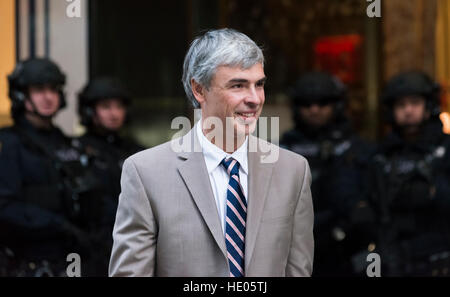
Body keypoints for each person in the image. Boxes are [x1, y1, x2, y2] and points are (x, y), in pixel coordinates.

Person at [109, 28, 314, 277]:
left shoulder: (293, 170)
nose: (254, 99)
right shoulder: (146, 173)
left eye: (258, 84)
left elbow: (298, 270)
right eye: (238, 85)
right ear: (199, 90)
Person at [0, 58, 103, 276]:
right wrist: (56, 225)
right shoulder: (9, 144)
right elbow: (5, 207)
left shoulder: (69, 144)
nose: (48, 97)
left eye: (53, 90)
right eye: (39, 90)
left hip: (74, 262)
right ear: (21, 95)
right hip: (28, 263)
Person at [280, 72, 375, 276]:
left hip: (347, 248)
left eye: (322, 103)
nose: (314, 110)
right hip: (297, 247)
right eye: (307, 104)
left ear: (336, 105)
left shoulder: (356, 147)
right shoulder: (283, 150)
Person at [368, 71, 450, 276]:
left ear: (428, 105)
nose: (408, 110)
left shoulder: (445, 148)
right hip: (395, 255)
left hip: (439, 252)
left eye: (414, 103)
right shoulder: (381, 155)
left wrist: (434, 192)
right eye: (401, 105)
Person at [77, 77, 144, 273]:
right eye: (106, 106)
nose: (114, 113)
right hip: (90, 249)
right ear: (90, 110)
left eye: (119, 107)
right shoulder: (74, 150)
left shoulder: (138, 151)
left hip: (134, 243)